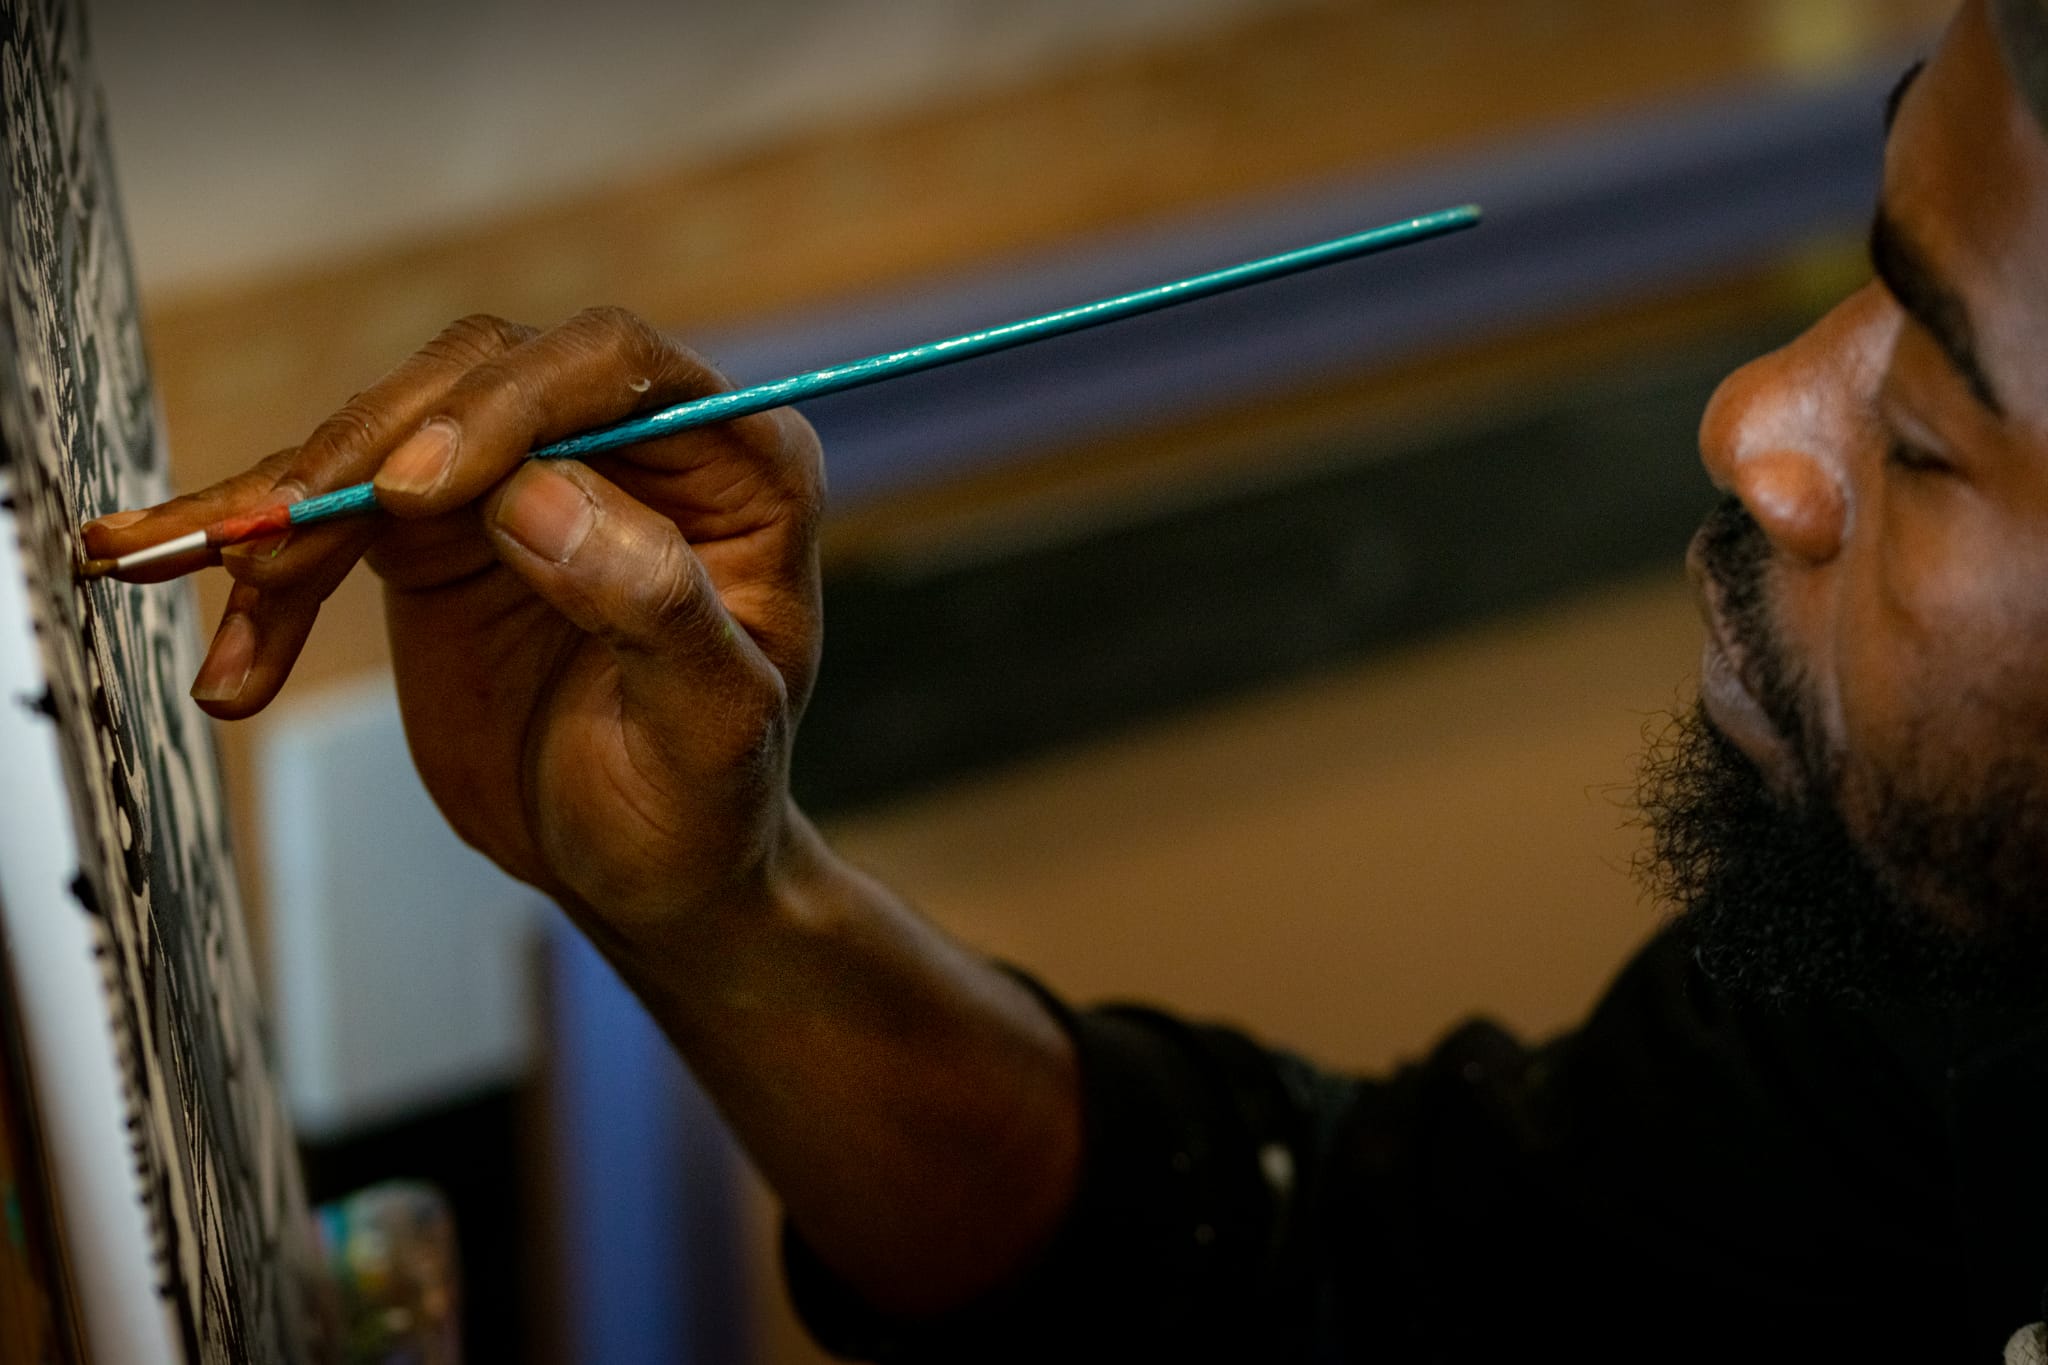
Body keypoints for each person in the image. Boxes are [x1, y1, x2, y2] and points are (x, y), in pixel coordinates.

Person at [82, 0, 2048, 1358]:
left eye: (1932, 427)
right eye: (1864, 271)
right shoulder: (1931, 1004)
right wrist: (721, 906)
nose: (1754, 424)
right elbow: (1339, 1281)